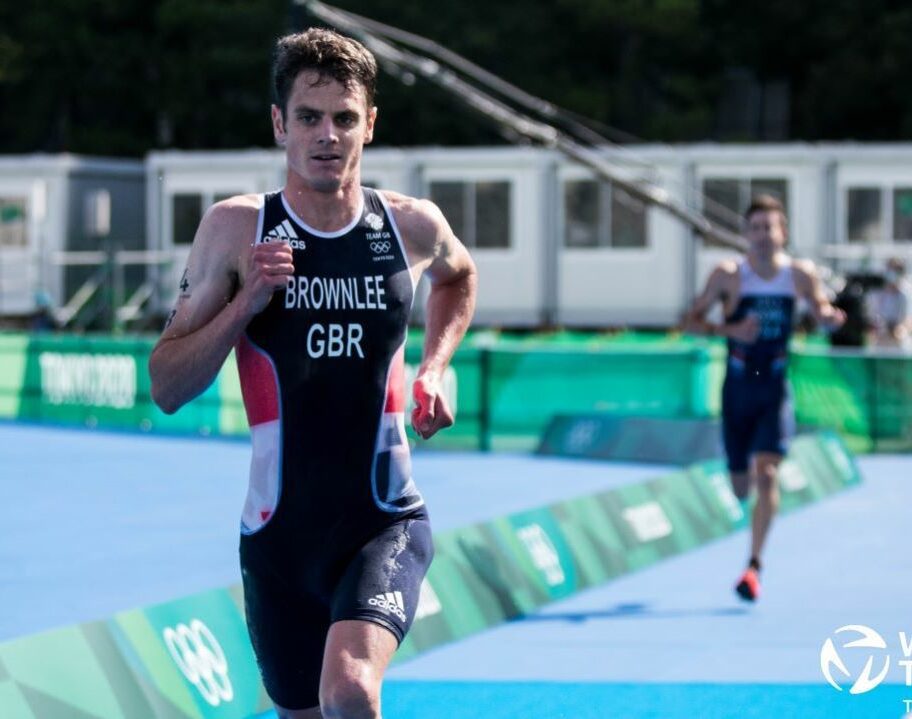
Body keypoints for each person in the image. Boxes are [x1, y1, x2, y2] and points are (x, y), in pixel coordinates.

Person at [148, 28, 477, 719]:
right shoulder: (237, 230)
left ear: (370, 126)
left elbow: (459, 275)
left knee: (351, 689)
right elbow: (168, 385)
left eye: (345, 118)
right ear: (279, 124)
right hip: (277, 538)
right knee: (303, 710)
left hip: (382, 519)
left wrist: (436, 365)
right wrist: (246, 304)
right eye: (309, 117)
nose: (328, 136)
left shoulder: (409, 226)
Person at [684, 194, 843, 602]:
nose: (762, 236)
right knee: (741, 486)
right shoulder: (728, 275)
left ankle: (753, 565)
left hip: (773, 383)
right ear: (745, 235)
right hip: (738, 386)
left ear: (782, 233)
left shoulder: (799, 275)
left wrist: (830, 320)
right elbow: (689, 323)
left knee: (768, 473)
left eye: (769, 228)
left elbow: (823, 313)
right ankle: (745, 497)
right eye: (755, 228)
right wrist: (729, 331)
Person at [868, 257, 912, 348]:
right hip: (881, 343)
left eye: (893, 270)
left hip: (900, 345)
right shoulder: (880, 292)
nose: (890, 273)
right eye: (889, 269)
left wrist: (900, 330)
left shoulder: (907, 292)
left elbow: (908, 320)